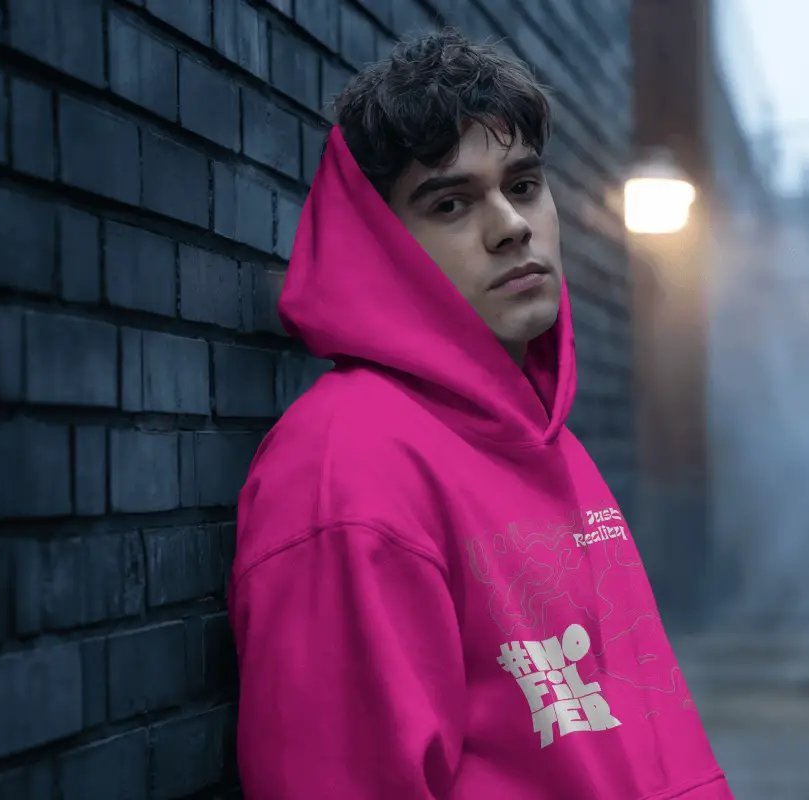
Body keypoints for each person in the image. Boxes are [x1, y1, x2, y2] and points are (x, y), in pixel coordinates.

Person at [229, 28, 733, 800]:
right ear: (382, 243)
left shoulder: (545, 437)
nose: (510, 226)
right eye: (452, 202)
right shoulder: (348, 468)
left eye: (523, 184)